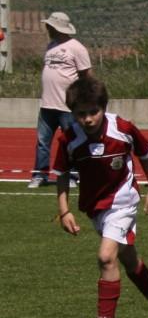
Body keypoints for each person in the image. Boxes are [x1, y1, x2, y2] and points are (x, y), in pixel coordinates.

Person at [53, 77, 148, 318]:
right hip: (95, 207)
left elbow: (146, 154)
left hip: (123, 201)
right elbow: (61, 175)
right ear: (73, 113)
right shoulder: (69, 138)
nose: (87, 119)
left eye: (93, 111)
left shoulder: (122, 128)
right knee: (129, 260)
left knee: (106, 256)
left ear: (103, 107)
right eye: (81, 113)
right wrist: (64, 211)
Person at [29, 12, 92, 188]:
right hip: (47, 105)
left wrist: (84, 98)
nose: (47, 29)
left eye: (50, 26)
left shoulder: (77, 48)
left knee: (71, 142)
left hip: (67, 106)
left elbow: (86, 75)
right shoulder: (51, 46)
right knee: (42, 142)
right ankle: (40, 175)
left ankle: (72, 175)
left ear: (58, 27)